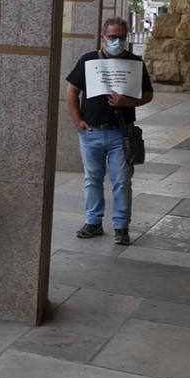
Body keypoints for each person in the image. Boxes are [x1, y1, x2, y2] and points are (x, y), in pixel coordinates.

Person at [65, 16, 154, 246]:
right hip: (91, 132)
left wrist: (127, 102)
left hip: (120, 134)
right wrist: (77, 120)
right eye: (112, 37)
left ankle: (121, 226)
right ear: (103, 37)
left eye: (121, 37)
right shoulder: (88, 60)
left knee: (122, 180)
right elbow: (72, 90)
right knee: (92, 179)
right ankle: (93, 221)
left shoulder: (135, 64)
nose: (116, 41)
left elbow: (147, 94)